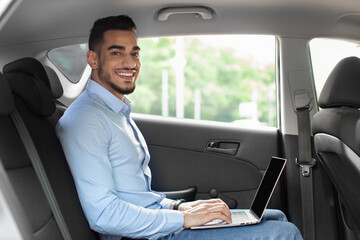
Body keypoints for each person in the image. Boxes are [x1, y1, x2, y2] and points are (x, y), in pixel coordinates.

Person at [56, 15, 303, 240]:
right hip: (137, 236)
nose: (130, 63)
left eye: (135, 53)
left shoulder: (115, 111)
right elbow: (104, 215)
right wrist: (183, 219)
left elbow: (137, 197)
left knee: (275, 217)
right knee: (284, 234)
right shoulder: (86, 119)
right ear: (93, 59)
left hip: (152, 224)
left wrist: (178, 207)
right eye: (116, 53)